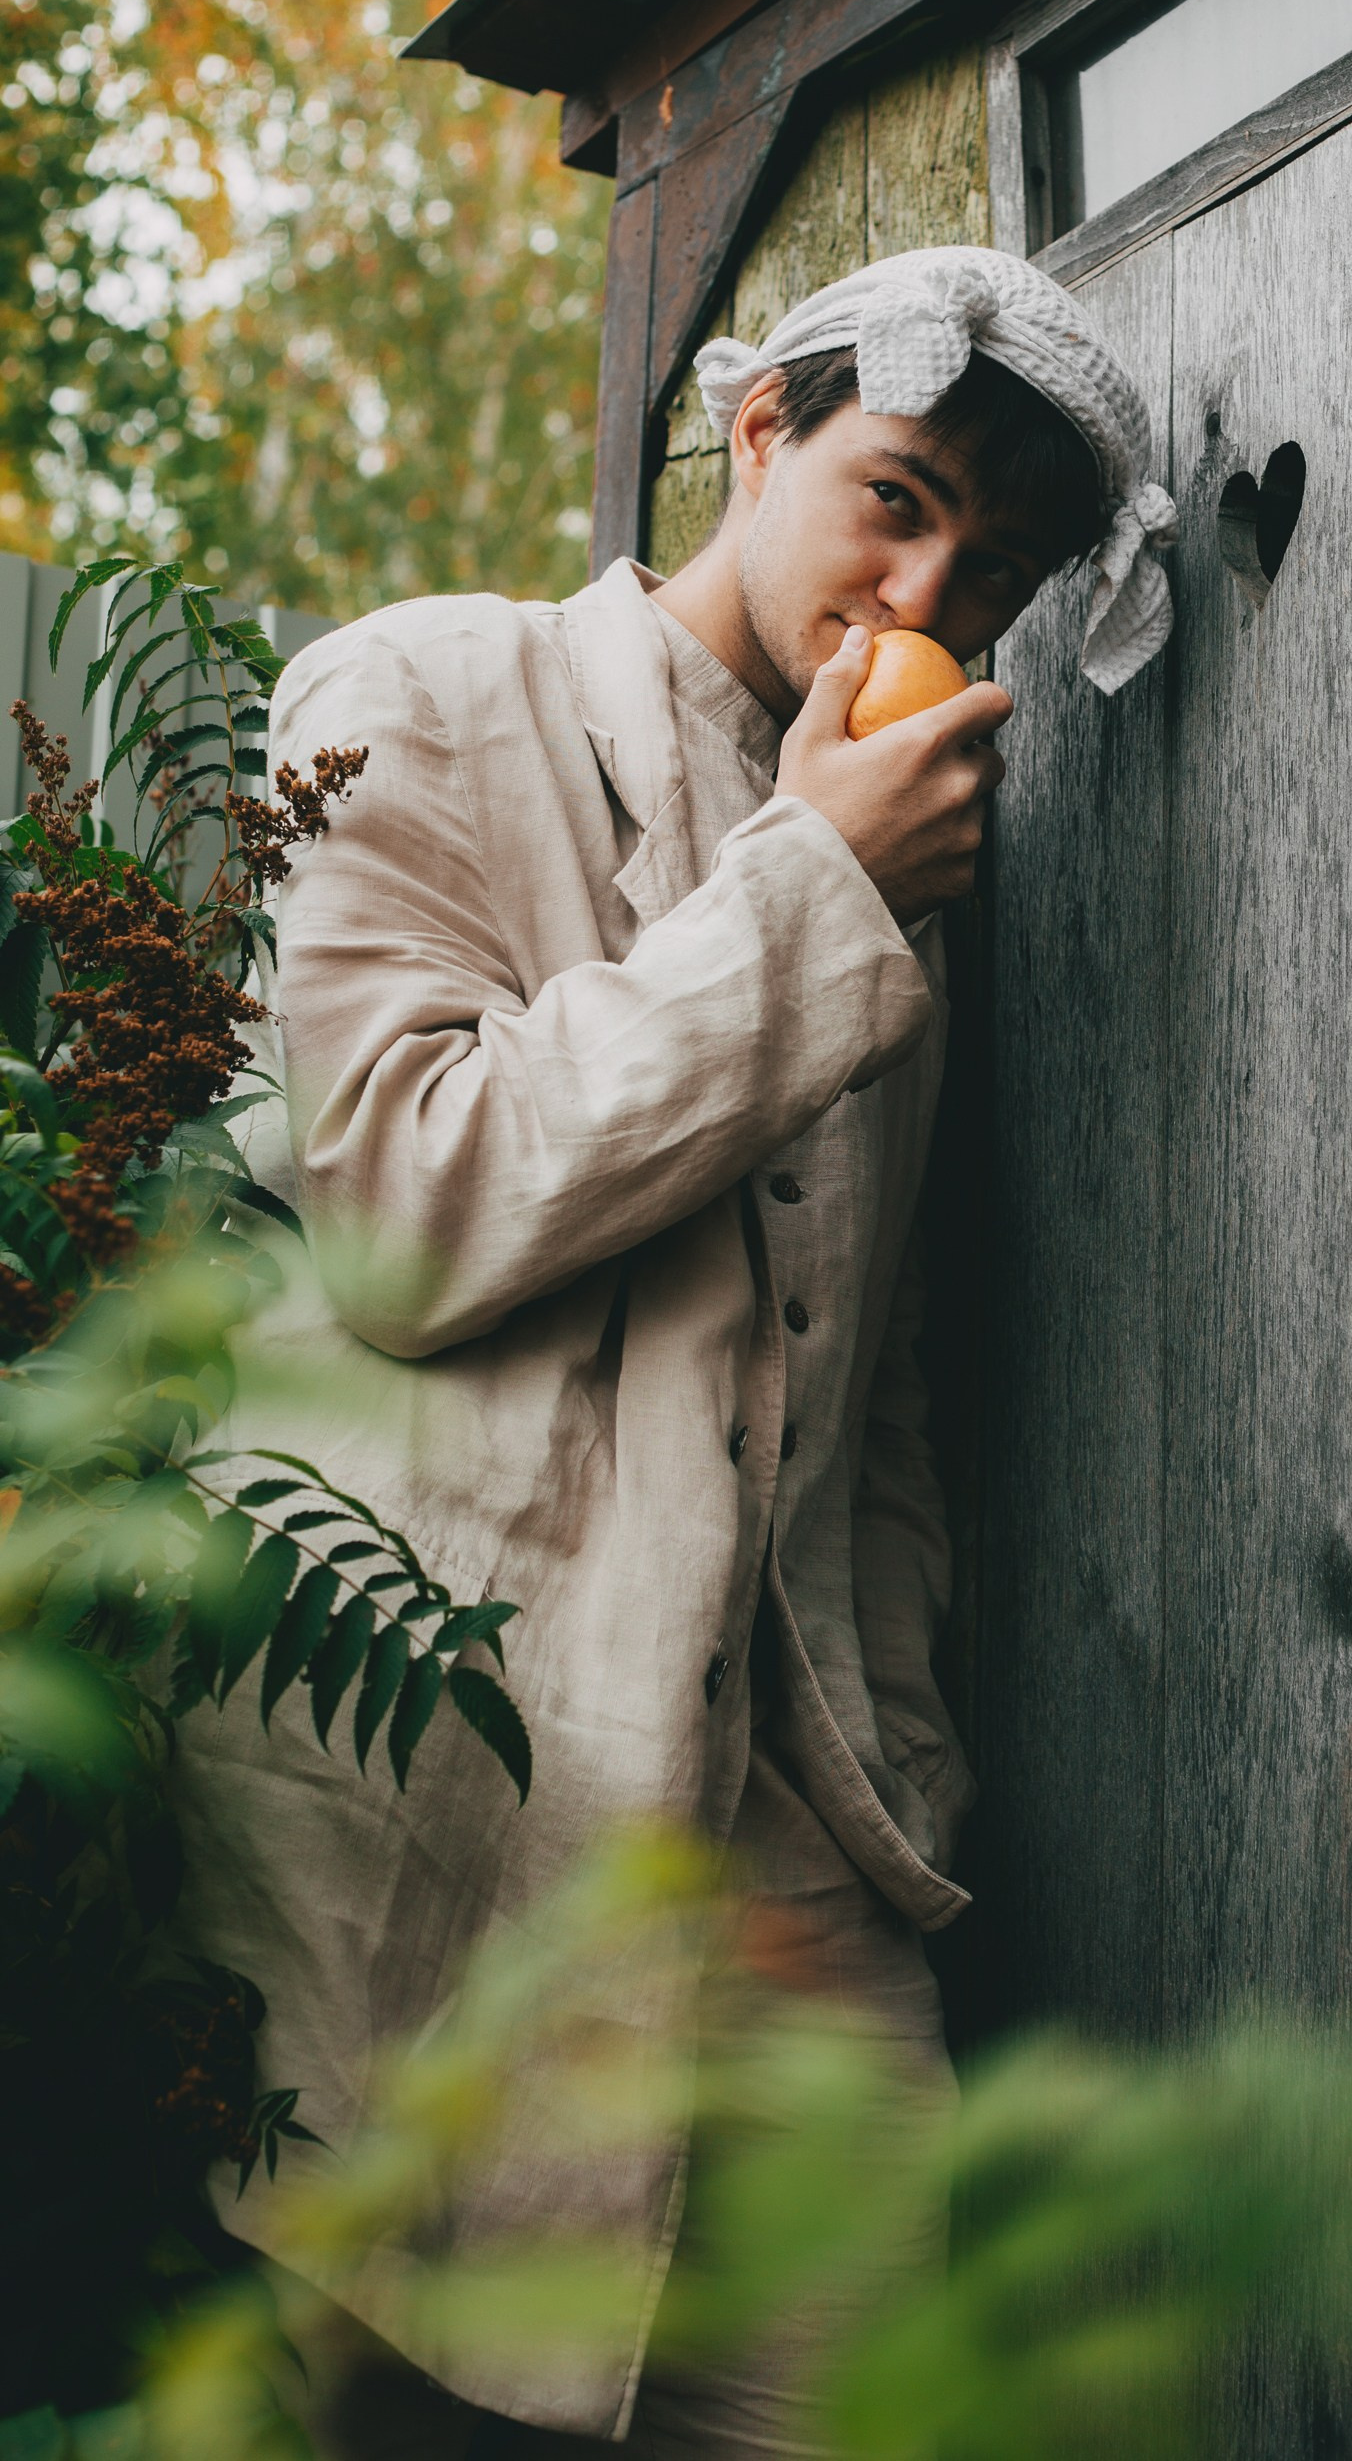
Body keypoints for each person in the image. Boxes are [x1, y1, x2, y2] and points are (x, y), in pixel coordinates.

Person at [170, 249, 1177, 2455]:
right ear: (756, 434)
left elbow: (872, 1371)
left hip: (800, 1843)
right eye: (893, 496)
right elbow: (403, 1209)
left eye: (991, 568)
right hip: (465, 1826)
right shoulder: (427, 692)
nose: (924, 582)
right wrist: (815, 881)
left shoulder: (902, 846)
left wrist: (900, 1749)